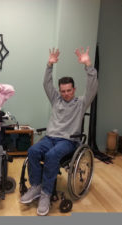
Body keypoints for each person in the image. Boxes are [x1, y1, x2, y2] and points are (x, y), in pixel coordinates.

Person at [20, 47, 98, 216]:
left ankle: (46, 195)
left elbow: (92, 88)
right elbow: (46, 84)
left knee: (51, 156)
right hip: (50, 138)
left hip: (68, 141)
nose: (66, 94)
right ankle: (36, 186)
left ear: (74, 89)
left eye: (69, 90)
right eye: (63, 91)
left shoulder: (81, 103)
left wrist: (88, 65)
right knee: (33, 150)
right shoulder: (56, 99)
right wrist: (49, 65)